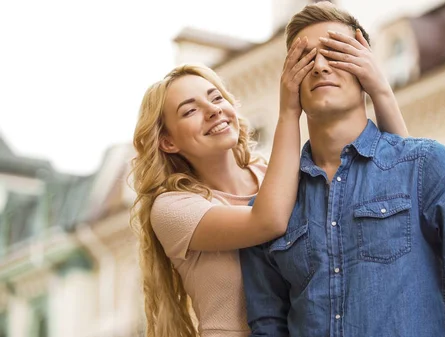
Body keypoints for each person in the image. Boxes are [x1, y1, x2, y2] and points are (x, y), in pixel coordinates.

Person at [240, 3, 445, 337]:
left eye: (336, 52)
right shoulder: (265, 215)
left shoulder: (428, 166)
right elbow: (267, 326)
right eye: (305, 58)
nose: (320, 66)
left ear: (365, 67)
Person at [129, 27, 410, 337]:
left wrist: (379, 89)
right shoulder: (173, 209)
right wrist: (290, 110)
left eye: (216, 98)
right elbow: (268, 221)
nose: (212, 111)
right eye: (191, 110)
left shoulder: (274, 175)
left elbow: (396, 178)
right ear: (168, 141)